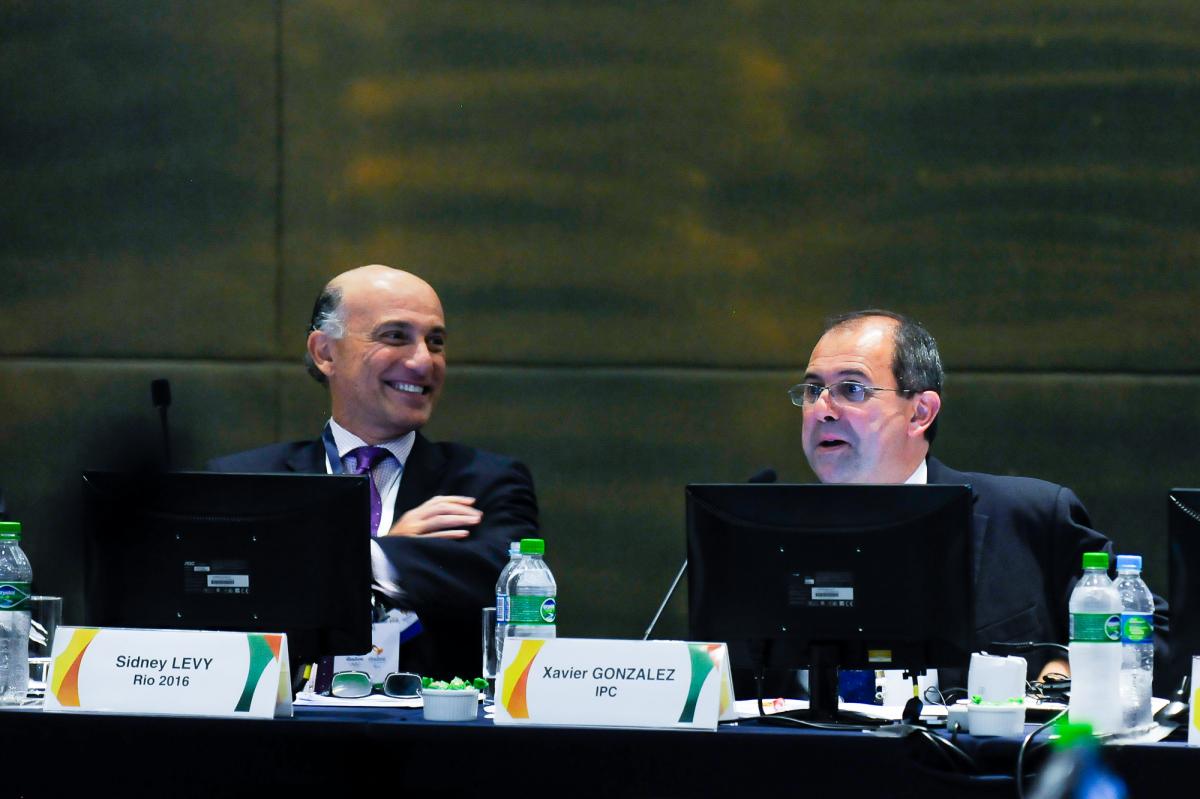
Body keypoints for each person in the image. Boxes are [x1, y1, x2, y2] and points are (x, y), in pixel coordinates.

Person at [793, 309, 1167, 685]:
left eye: (852, 389)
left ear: (920, 412)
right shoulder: (774, 533)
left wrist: (1070, 672)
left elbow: (1156, 633)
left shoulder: (1029, 517)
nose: (823, 410)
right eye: (812, 391)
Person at [210, 264, 538, 678]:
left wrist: (372, 556)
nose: (423, 362)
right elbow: (227, 606)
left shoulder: (485, 482)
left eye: (435, 342)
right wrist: (387, 551)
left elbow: (505, 585)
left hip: (437, 731)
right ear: (325, 352)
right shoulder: (244, 482)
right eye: (395, 336)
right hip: (288, 731)